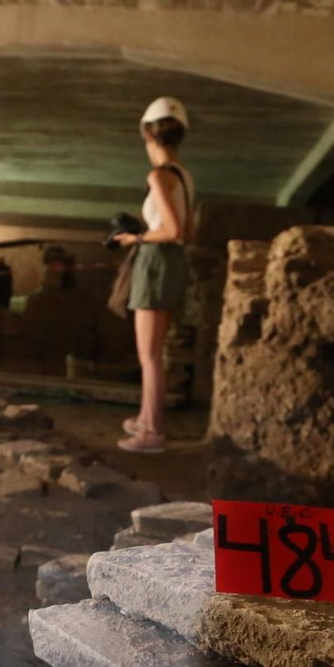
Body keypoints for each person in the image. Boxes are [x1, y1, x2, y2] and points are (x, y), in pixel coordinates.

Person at [112, 96, 196, 454]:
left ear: (147, 134)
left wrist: (136, 237)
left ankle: (151, 432)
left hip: (157, 260)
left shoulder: (159, 175)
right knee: (154, 351)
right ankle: (146, 418)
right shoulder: (185, 175)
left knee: (148, 354)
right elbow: (188, 233)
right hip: (172, 262)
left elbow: (174, 230)